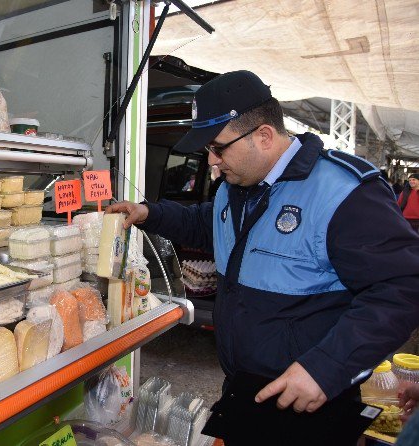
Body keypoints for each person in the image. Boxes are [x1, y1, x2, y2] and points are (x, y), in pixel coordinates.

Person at [107, 70, 419, 442]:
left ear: (264, 136)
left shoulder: (342, 192)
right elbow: (209, 223)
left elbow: (401, 287)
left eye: (218, 148)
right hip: (244, 391)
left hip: (307, 402)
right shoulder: (237, 186)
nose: (211, 161)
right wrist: (150, 214)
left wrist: (326, 368)